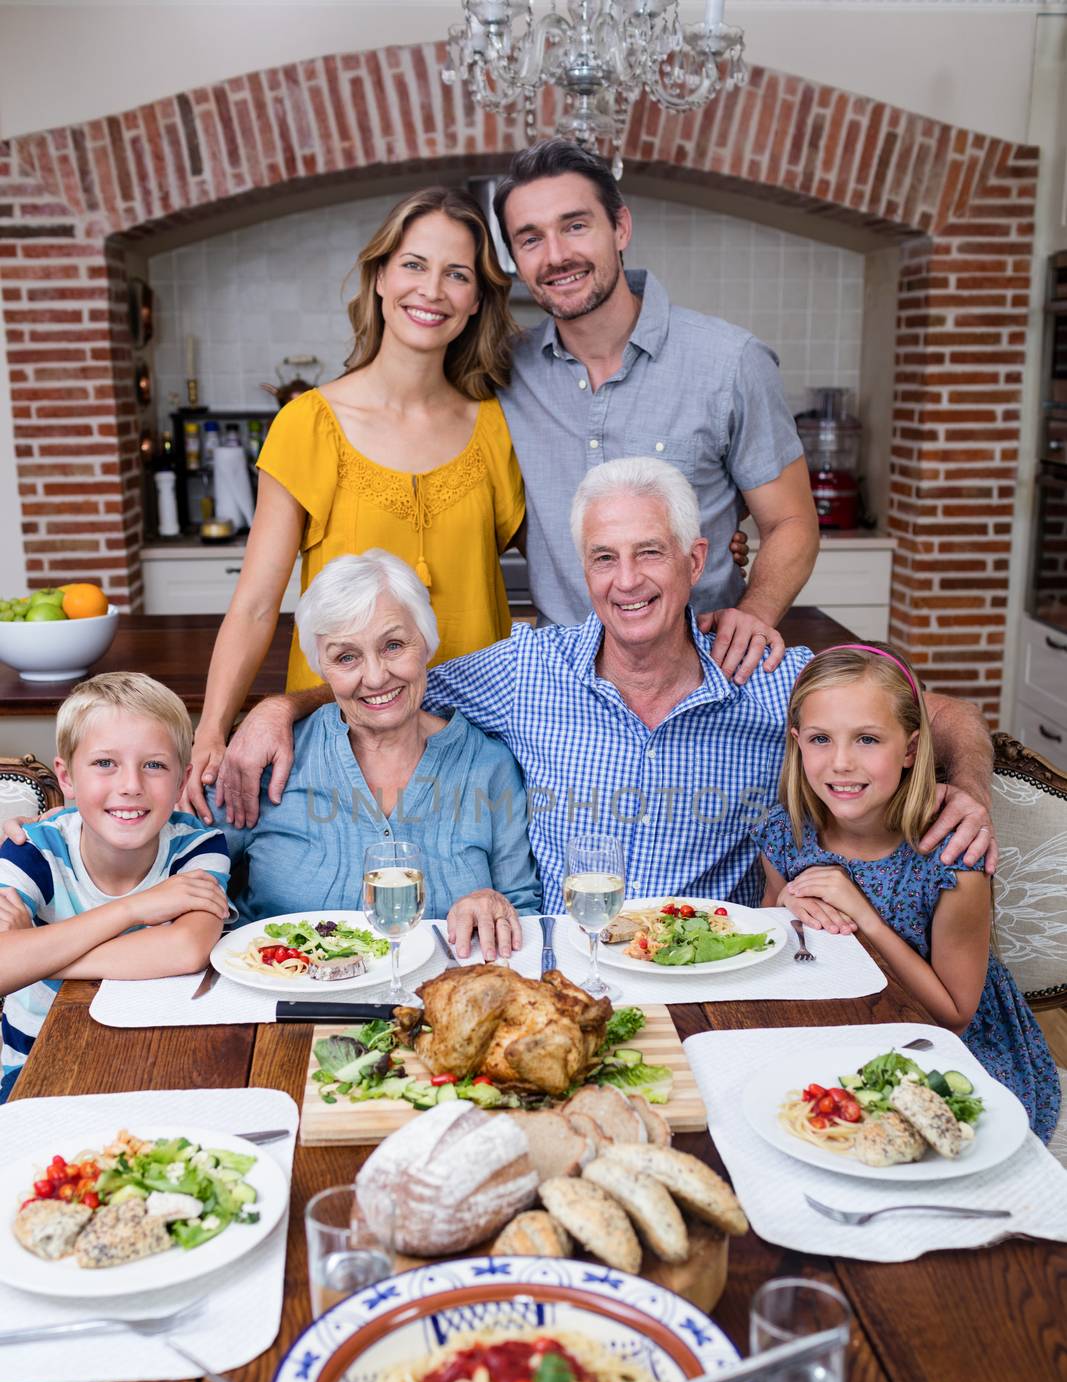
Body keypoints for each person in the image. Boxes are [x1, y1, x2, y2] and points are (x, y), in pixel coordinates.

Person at [211, 458, 998, 915]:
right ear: (582, 569)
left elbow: (948, 713)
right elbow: (390, 681)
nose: (627, 582)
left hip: (705, 968)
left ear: (693, 563)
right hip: (568, 970)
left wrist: (966, 788)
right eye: (603, 558)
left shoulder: (765, 681)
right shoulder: (528, 670)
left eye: (649, 554)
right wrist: (281, 704)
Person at [185, 186, 525, 820]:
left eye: (457, 274)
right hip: (339, 741)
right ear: (379, 278)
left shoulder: (498, 425)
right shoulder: (308, 424)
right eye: (414, 265)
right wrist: (211, 730)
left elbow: (570, 569)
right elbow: (258, 604)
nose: (432, 290)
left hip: (477, 747)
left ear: (477, 300)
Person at [492, 138, 821, 687]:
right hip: (559, 688)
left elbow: (792, 521)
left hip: (705, 674)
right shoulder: (505, 374)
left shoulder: (729, 363)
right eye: (531, 238)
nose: (555, 256)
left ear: (620, 227)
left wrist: (757, 612)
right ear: (515, 258)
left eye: (576, 226)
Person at [754, 644, 1059, 1141]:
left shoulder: (952, 863)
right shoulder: (785, 836)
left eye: (868, 739)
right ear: (797, 743)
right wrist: (785, 905)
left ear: (912, 749)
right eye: (820, 739)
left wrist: (865, 917)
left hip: (946, 1056)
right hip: (832, 1032)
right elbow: (771, 946)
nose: (841, 762)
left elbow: (953, 1017)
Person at [214, 551, 540, 960]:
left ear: (426, 643)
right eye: (346, 657)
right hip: (278, 1006)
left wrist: (494, 904)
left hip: (433, 1005)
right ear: (322, 667)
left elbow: (523, 909)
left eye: (393, 645)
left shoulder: (488, 765)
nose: (375, 676)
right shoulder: (271, 756)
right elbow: (185, 867)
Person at [0, 673, 230, 1101]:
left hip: (156, 1061)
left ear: (183, 780)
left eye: (155, 765)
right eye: (105, 763)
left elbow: (185, 949)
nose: (130, 785)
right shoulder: (33, 848)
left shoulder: (196, 846)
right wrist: (133, 909)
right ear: (67, 778)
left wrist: (33, 952)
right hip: (33, 1073)